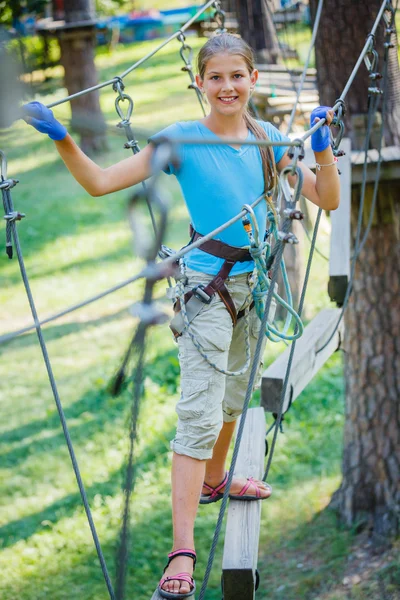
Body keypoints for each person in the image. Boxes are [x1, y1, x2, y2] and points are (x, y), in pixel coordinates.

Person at [22, 33, 340, 599]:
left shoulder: (267, 140)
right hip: (205, 289)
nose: (226, 87)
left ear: (252, 81)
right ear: (199, 83)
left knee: (236, 399)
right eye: (214, 77)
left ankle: (217, 479)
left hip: (256, 286)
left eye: (236, 76)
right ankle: (182, 550)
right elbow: (100, 183)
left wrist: (320, 149)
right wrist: (63, 137)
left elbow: (329, 199)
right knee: (199, 411)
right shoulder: (180, 141)